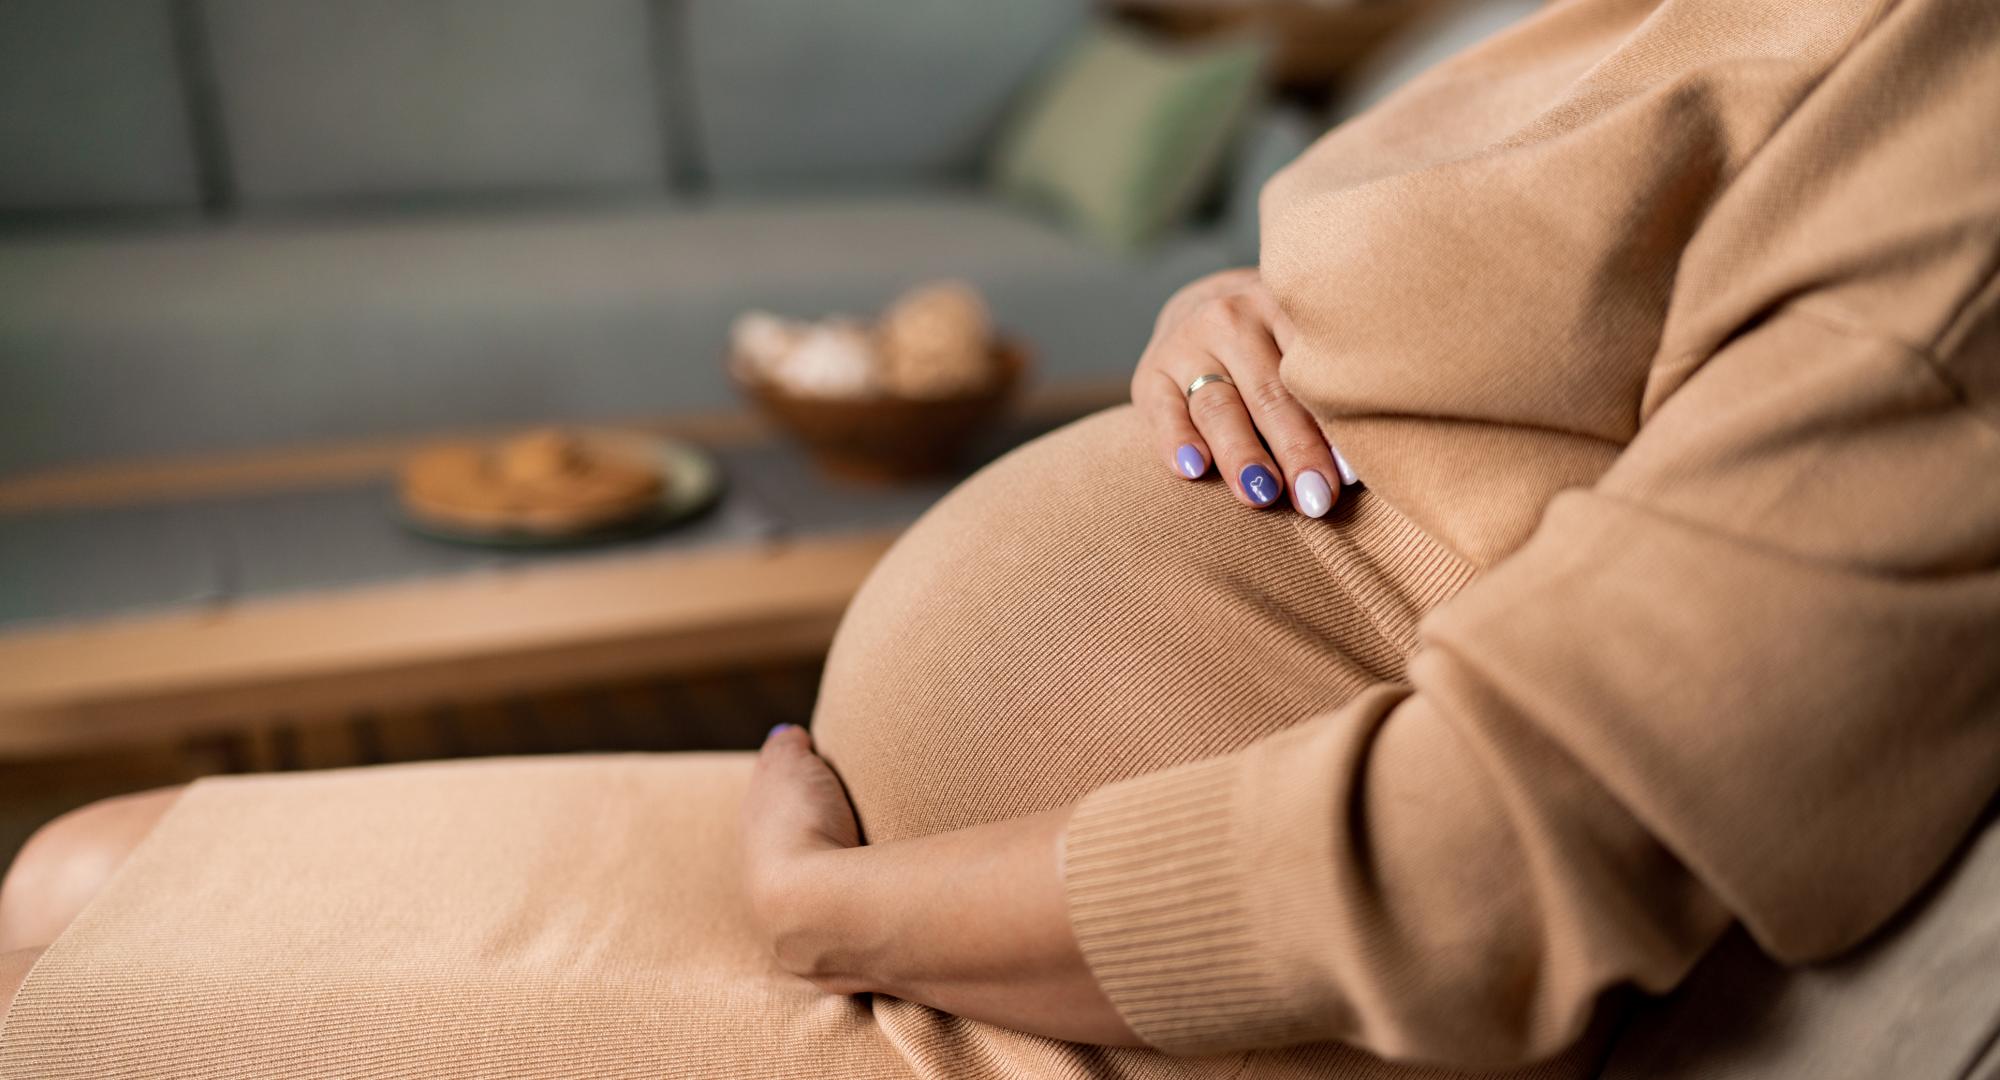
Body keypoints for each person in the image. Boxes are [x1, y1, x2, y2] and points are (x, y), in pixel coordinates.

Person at [3, 0, 1996, 1076]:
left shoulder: (1956, 123)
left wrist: (829, 921)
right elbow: (1541, 373)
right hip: (976, 887)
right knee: (66, 869)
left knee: (71, 943)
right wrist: (1242, 314)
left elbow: (1503, 852)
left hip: (1220, 1021)